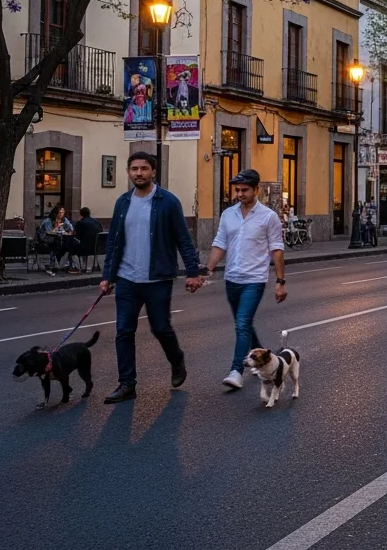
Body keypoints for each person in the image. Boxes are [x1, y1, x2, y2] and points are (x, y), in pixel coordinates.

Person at [100, 152, 206, 404]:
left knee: (160, 327)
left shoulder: (167, 202)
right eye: (134, 169)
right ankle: (127, 384)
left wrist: (192, 272)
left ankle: (176, 358)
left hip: (157, 278)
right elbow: (114, 241)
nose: (139, 173)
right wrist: (108, 276)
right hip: (127, 279)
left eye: (144, 168)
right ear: (128, 172)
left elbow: (183, 238)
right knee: (124, 331)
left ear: (153, 172)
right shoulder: (123, 202)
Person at [205, 169, 287, 390]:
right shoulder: (228, 215)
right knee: (245, 324)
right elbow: (220, 243)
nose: (239, 194)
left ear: (256, 190)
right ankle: (266, 359)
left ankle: (236, 371)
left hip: (254, 279)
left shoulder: (268, 217)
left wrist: (280, 282)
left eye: (244, 190)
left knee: (241, 324)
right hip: (232, 278)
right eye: (237, 190)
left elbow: (277, 250)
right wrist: (208, 269)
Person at [39, 205, 76, 275]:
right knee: (54, 245)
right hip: (46, 239)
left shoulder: (64, 220)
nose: (62, 214)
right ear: (55, 213)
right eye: (60, 212)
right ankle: (53, 264)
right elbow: (49, 232)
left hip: (58, 239)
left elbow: (71, 228)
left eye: (63, 212)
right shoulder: (48, 220)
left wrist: (69, 230)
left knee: (69, 244)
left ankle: (66, 264)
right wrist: (57, 227)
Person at [73, 207, 102, 274]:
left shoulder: (80, 223)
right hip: (97, 248)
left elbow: (76, 235)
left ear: (81, 214)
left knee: (69, 244)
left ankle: (72, 265)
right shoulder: (97, 222)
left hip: (84, 248)